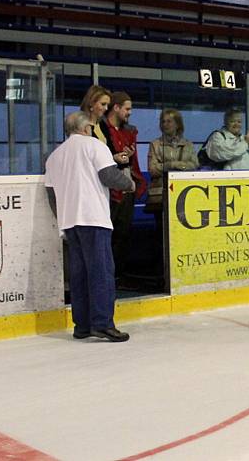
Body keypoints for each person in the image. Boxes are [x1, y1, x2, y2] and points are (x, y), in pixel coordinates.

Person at [45, 111, 135, 342]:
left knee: (80, 274)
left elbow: (51, 194)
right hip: (93, 217)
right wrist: (129, 183)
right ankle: (103, 323)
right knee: (101, 272)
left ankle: (82, 325)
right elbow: (108, 175)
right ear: (86, 128)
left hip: (70, 221)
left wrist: (63, 219)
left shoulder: (54, 156)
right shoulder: (94, 146)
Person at [103, 91, 147, 286]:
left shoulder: (128, 131)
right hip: (109, 189)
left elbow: (132, 161)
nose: (130, 112)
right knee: (110, 234)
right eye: (127, 108)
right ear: (116, 107)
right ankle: (107, 274)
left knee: (123, 234)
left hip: (125, 187)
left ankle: (117, 274)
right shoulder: (101, 130)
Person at [146, 108, 198, 213]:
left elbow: (195, 165)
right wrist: (170, 165)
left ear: (177, 124)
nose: (165, 124)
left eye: (169, 121)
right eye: (163, 121)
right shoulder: (155, 144)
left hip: (184, 193)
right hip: (161, 196)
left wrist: (177, 165)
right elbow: (152, 169)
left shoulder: (188, 145)